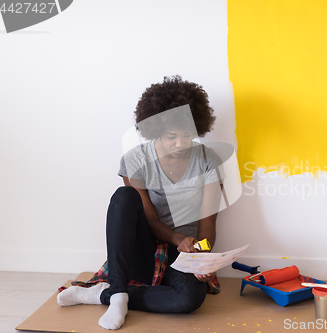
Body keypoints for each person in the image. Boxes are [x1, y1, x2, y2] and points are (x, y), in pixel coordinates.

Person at [57, 76, 225, 330]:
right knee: (123, 197)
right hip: (143, 250)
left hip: (183, 257)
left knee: (189, 298)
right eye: (171, 136)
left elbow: (207, 225)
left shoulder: (208, 161)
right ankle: (118, 293)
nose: (180, 144)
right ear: (156, 130)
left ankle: (106, 294)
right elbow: (150, 220)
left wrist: (202, 257)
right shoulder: (135, 160)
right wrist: (178, 238)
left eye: (187, 135)